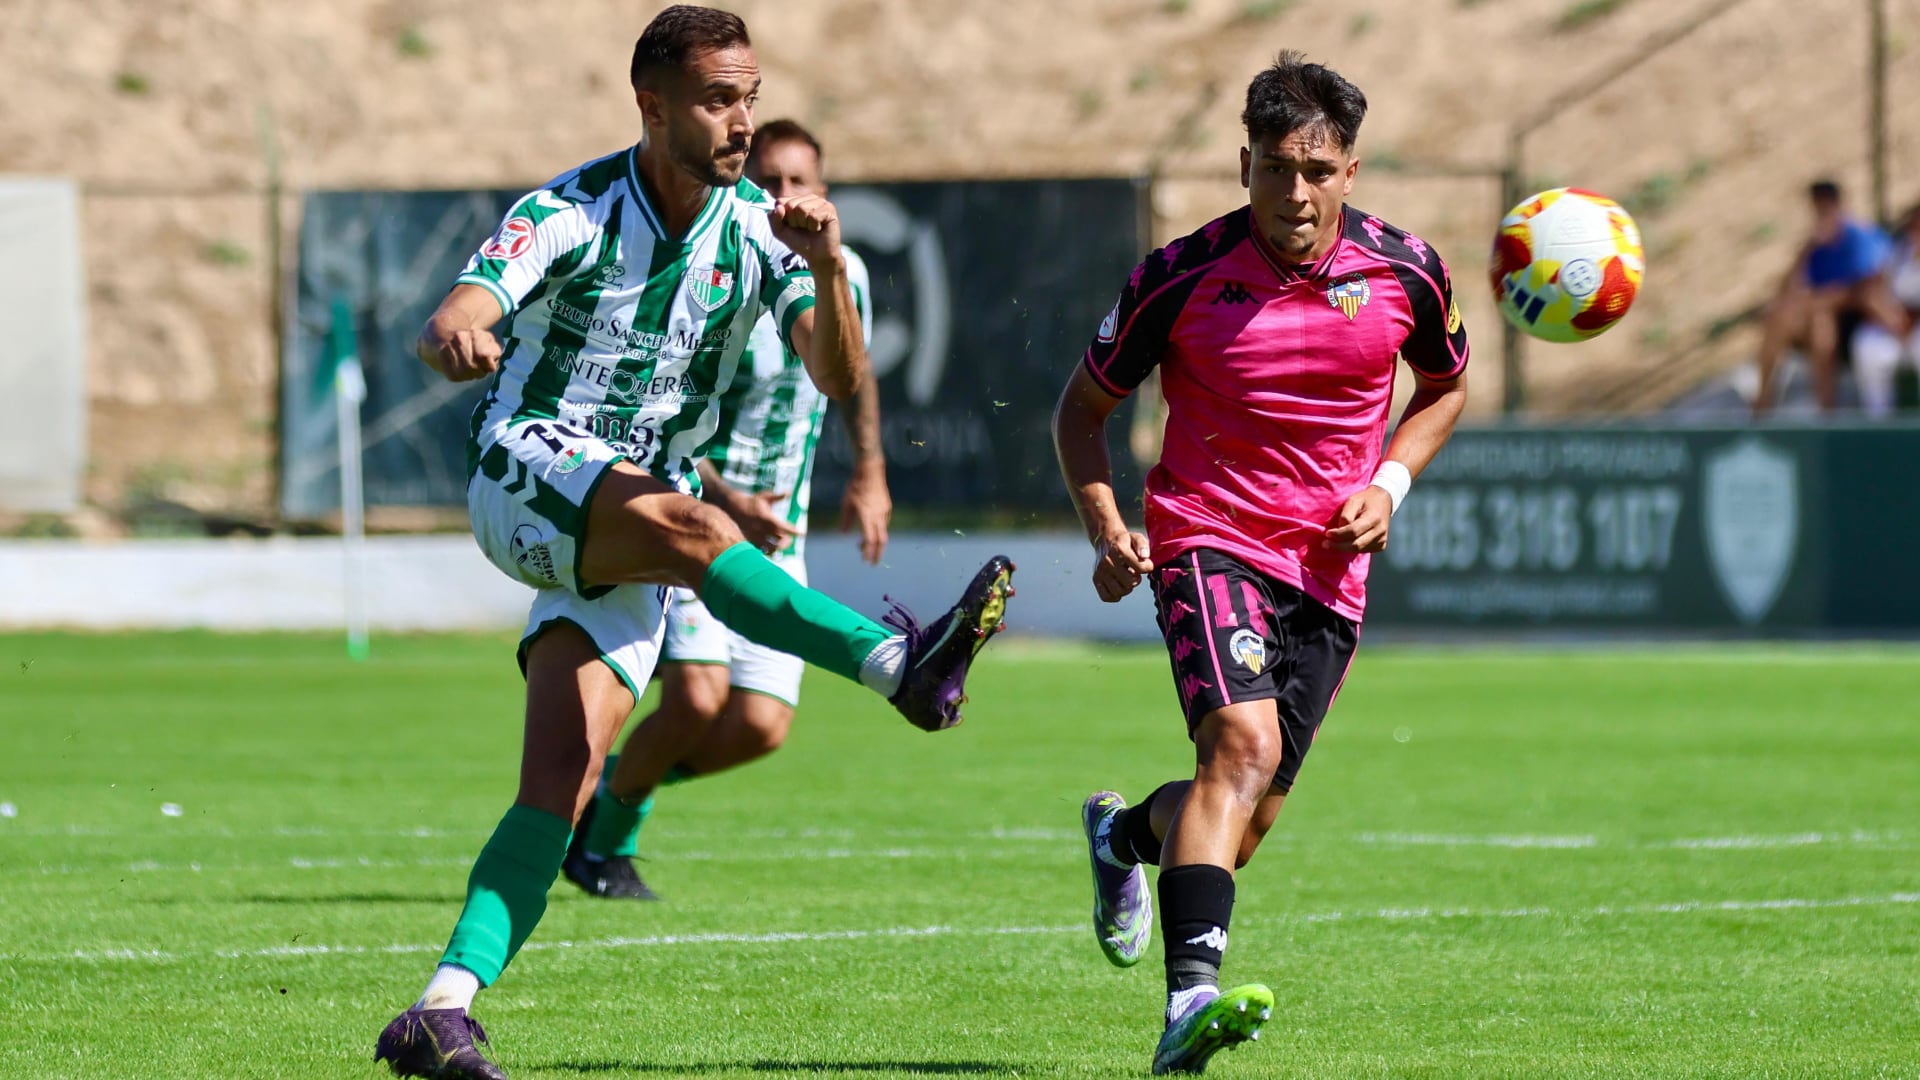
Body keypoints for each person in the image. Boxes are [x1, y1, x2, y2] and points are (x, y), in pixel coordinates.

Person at [372, 9, 1014, 1079]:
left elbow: (836, 376)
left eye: (750, 97)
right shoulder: (569, 212)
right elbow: (458, 313)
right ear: (653, 105)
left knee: (561, 783)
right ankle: (900, 664)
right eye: (718, 100)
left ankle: (439, 1009)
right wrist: (459, 334)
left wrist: (828, 264)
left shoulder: (762, 233)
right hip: (526, 466)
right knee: (697, 525)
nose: (740, 122)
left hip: (634, 513)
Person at [1052, 52, 1468, 1075]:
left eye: (1318, 172)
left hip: (1329, 573)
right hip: (1209, 536)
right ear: (1244, 164)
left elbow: (1447, 387)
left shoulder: (1408, 269)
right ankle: (1188, 1006)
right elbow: (1082, 410)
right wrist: (1108, 521)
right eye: (1277, 167)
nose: (1296, 192)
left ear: (1351, 173)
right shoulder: (1179, 276)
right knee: (1238, 751)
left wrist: (1391, 485)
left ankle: (1122, 838)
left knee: (1239, 819)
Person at [562, 118, 890, 900]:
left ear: (823, 190)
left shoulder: (844, 273)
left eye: (797, 182)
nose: (781, 197)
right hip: (694, 519)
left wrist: (871, 469)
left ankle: (613, 786)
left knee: (759, 729)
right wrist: (729, 500)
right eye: (766, 182)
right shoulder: (723, 264)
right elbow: (659, 405)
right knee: (697, 698)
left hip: (783, 529)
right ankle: (603, 847)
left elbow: (854, 372)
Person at [1753, 180, 1907, 414]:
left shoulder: (1860, 239)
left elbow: (1864, 291)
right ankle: (1763, 399)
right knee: (1781, 315)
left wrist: (1815, 302)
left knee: (1820, 322)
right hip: (1820, 316)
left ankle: (1827, 411)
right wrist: (1804, 251)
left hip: (1858, 324)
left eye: (1825, 208)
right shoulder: (1816, 247)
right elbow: (1787, 291)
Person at [1850, 204, 1920, 418]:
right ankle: (1878, 420)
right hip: (1893, 325)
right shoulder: (1897, 252)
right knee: (1868, 346)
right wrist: (1887, 316)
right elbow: (1870, 291)